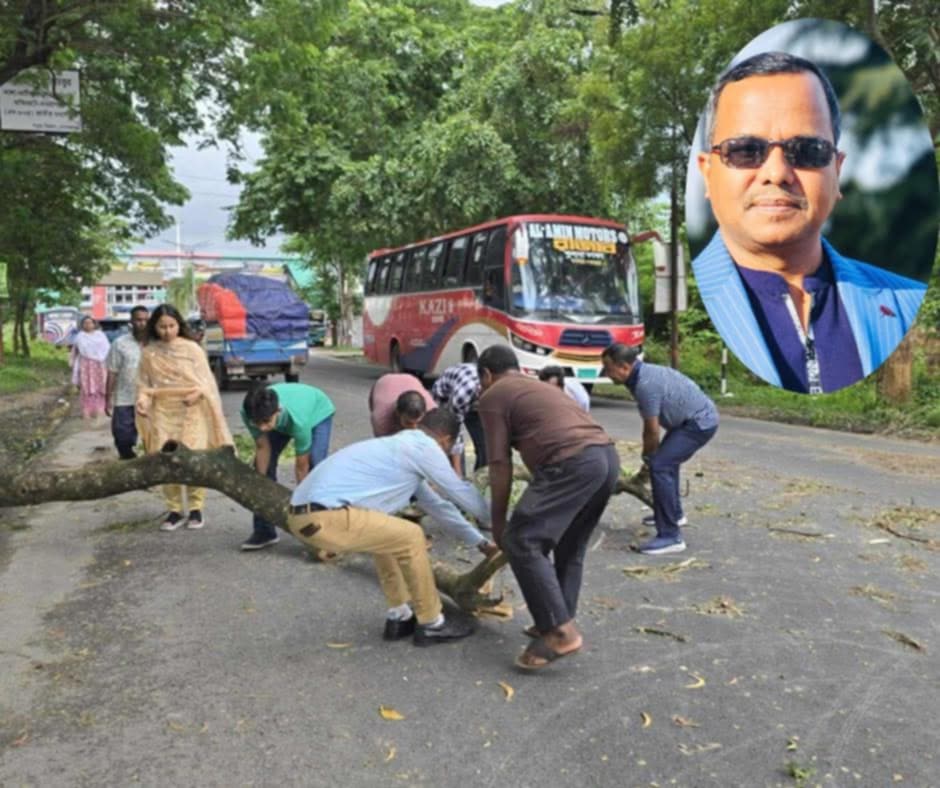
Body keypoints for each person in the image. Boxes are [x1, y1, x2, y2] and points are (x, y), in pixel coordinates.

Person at [693, 51, 927, 394]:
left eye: (807, 151)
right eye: (744, 150)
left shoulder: (901, 302)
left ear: (837, 171)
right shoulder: (699, 300)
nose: (777, 174)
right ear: (708, 174)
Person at [286, 408, 497, 646]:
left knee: (388, 535)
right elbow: (459, 492)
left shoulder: (402, 449)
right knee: (412, 534)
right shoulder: (424, 448)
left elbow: (438, 507)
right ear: (446, 440)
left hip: (300, 516)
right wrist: (502, 523)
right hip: (324, 515)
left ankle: (399, 616)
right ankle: (432, 623)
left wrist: (480, 542)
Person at [477, 345, 619, 671]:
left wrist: (499, 524)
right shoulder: (537, 385)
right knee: (570, 545)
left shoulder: (494, 395)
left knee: (522, 539)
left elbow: (499, 463)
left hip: (572, 462)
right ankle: (556, 620)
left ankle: (559, 632)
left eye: (481, 379)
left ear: (486, 374)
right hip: (606, 458)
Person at [601, 343, 718, 556]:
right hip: (687, 421)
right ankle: (674, 514)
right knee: (666, 463)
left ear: (624, 367)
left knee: (661, 466)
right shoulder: (641, 374)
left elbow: (651, 430)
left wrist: (648, 457)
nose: (607, 375)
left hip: (699, 423)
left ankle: (670, 536)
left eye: (608, 369)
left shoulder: (645, 384)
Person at [135, 304, 233, 532]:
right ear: (154, 327)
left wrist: (197, 394)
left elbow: (206, 383)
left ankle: (196, 508)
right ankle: (174, 509)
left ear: (179, 325)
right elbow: (144, 384)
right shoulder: (148, 353)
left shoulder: (192, 349)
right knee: (166, 459)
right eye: (162, 327)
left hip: (192, 410)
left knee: (193, 457)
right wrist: (142, 401)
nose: (167, 331)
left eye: (171, 326)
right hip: (162, 412)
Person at [240, 382, 335, 551]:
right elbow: (263, 447)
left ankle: (321, 528)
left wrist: (302, 504)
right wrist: (261, 481)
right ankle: (264, 531)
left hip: (317, 412)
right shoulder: (249, 412)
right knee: (262, 468)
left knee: (315, 466)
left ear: (278, 411)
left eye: (266, 422)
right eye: (257, 423)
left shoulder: (300, 421)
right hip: (284, 419)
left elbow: (301, 466)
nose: (262, 428)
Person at [105, 306, 149, 459]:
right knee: (122, 437)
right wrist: (107, 398)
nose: (142, 323)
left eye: (145, 320)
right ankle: (128, 462)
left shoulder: (156, 343)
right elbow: (112, 371)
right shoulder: (119, 343)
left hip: (151, 399)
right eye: (138, 320)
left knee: (151, 439)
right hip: (124, 398)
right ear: (131, 321)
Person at [431, 362, 486, 474]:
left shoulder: (496, 390)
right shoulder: (462, 396)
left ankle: (479, 482)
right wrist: (458, 471)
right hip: (444, 398)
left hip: (473, 400)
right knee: (448, 441)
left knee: (485, 447)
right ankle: (454, 479)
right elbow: (455, 429)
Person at [369, 372, 435, 437]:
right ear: (398, 413)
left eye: (418, 422)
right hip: (384, 382)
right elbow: (382, 443)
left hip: (410, 379)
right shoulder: (381, 419)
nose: (413, 429)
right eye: (408, 423)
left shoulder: (432, 410)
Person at [70, 316, 110, 420]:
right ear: (82, 325)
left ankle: (100, 410)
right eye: (85, 323)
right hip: (85, 365)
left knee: (100, 386)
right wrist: (72, 363)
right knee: (86, 387)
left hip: (100, 365)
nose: (88, 325)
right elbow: (75, 352)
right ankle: (87, 411)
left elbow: (107, 349)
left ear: (94, 324)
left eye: (90, 323)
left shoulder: (100, 335)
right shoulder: (79, 337)